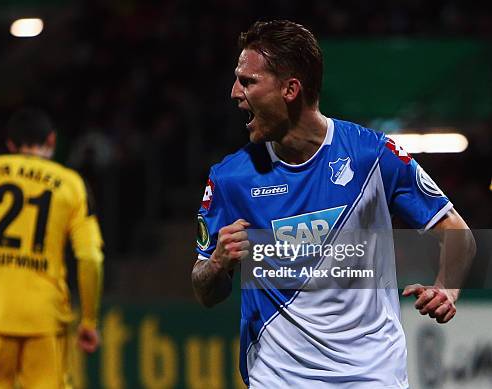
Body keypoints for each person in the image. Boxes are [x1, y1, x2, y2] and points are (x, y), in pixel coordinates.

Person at [191, 20, 476, 388]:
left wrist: (447, 288)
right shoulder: (230, 179)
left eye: (248, 81)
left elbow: (457, 233)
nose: (234, 93)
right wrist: (217, 264)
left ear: (290, 89)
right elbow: (204, 290)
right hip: (279, 380)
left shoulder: (371, 155)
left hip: (371, 377)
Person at [0, 108, 104, 389]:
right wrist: (88, 319)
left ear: (10, 144)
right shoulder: (73, 185)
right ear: (51, 140)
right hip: (46, 318)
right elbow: (91, 258)